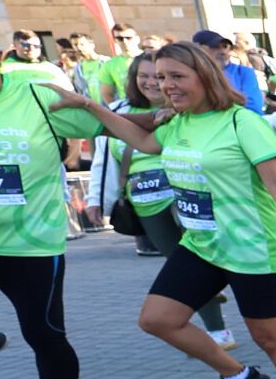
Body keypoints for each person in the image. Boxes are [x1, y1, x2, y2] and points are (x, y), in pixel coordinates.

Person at [53, 43, 276, 379]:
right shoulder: (176, 122)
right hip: (201, 244)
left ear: (204, 76)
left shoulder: (242, 122)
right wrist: (90, 106)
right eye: (162, 78)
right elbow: (141, 140)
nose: (167, 85)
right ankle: (239, 377)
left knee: (270, 339)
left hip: (251, 246)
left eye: (177, 76)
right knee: (157, 319)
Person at [0, 22, 103, 379]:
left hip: (28, 242)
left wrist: (159, 115)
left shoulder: (37, 93)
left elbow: (107, 126)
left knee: (43, 333)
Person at [89, 52, 233, 346]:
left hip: (188, 195)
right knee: (180, 265)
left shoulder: (186, 107)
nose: (152, 82)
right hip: (145, 202)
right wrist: (96, 199)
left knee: (204, 256)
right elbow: (103, 160)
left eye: (159, 76)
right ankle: (214, 319)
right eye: (144, 76)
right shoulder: (117, 111)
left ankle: (217, 317)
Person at [189, 31, 266, 114]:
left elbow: (254, 106)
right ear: (199, 49)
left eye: (225, 47)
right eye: (215, 47)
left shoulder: (243, 72)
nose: (223, 51)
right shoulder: (192, 75)